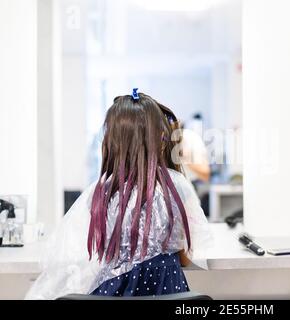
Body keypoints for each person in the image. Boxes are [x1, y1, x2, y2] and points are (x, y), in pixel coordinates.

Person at [25, 90, 211, 299]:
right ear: (161, 140)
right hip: (168, 291)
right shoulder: (177, 188)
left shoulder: (100, 193)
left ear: (111, 142)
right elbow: (186, 258)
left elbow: (86, 256)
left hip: (111, 291)